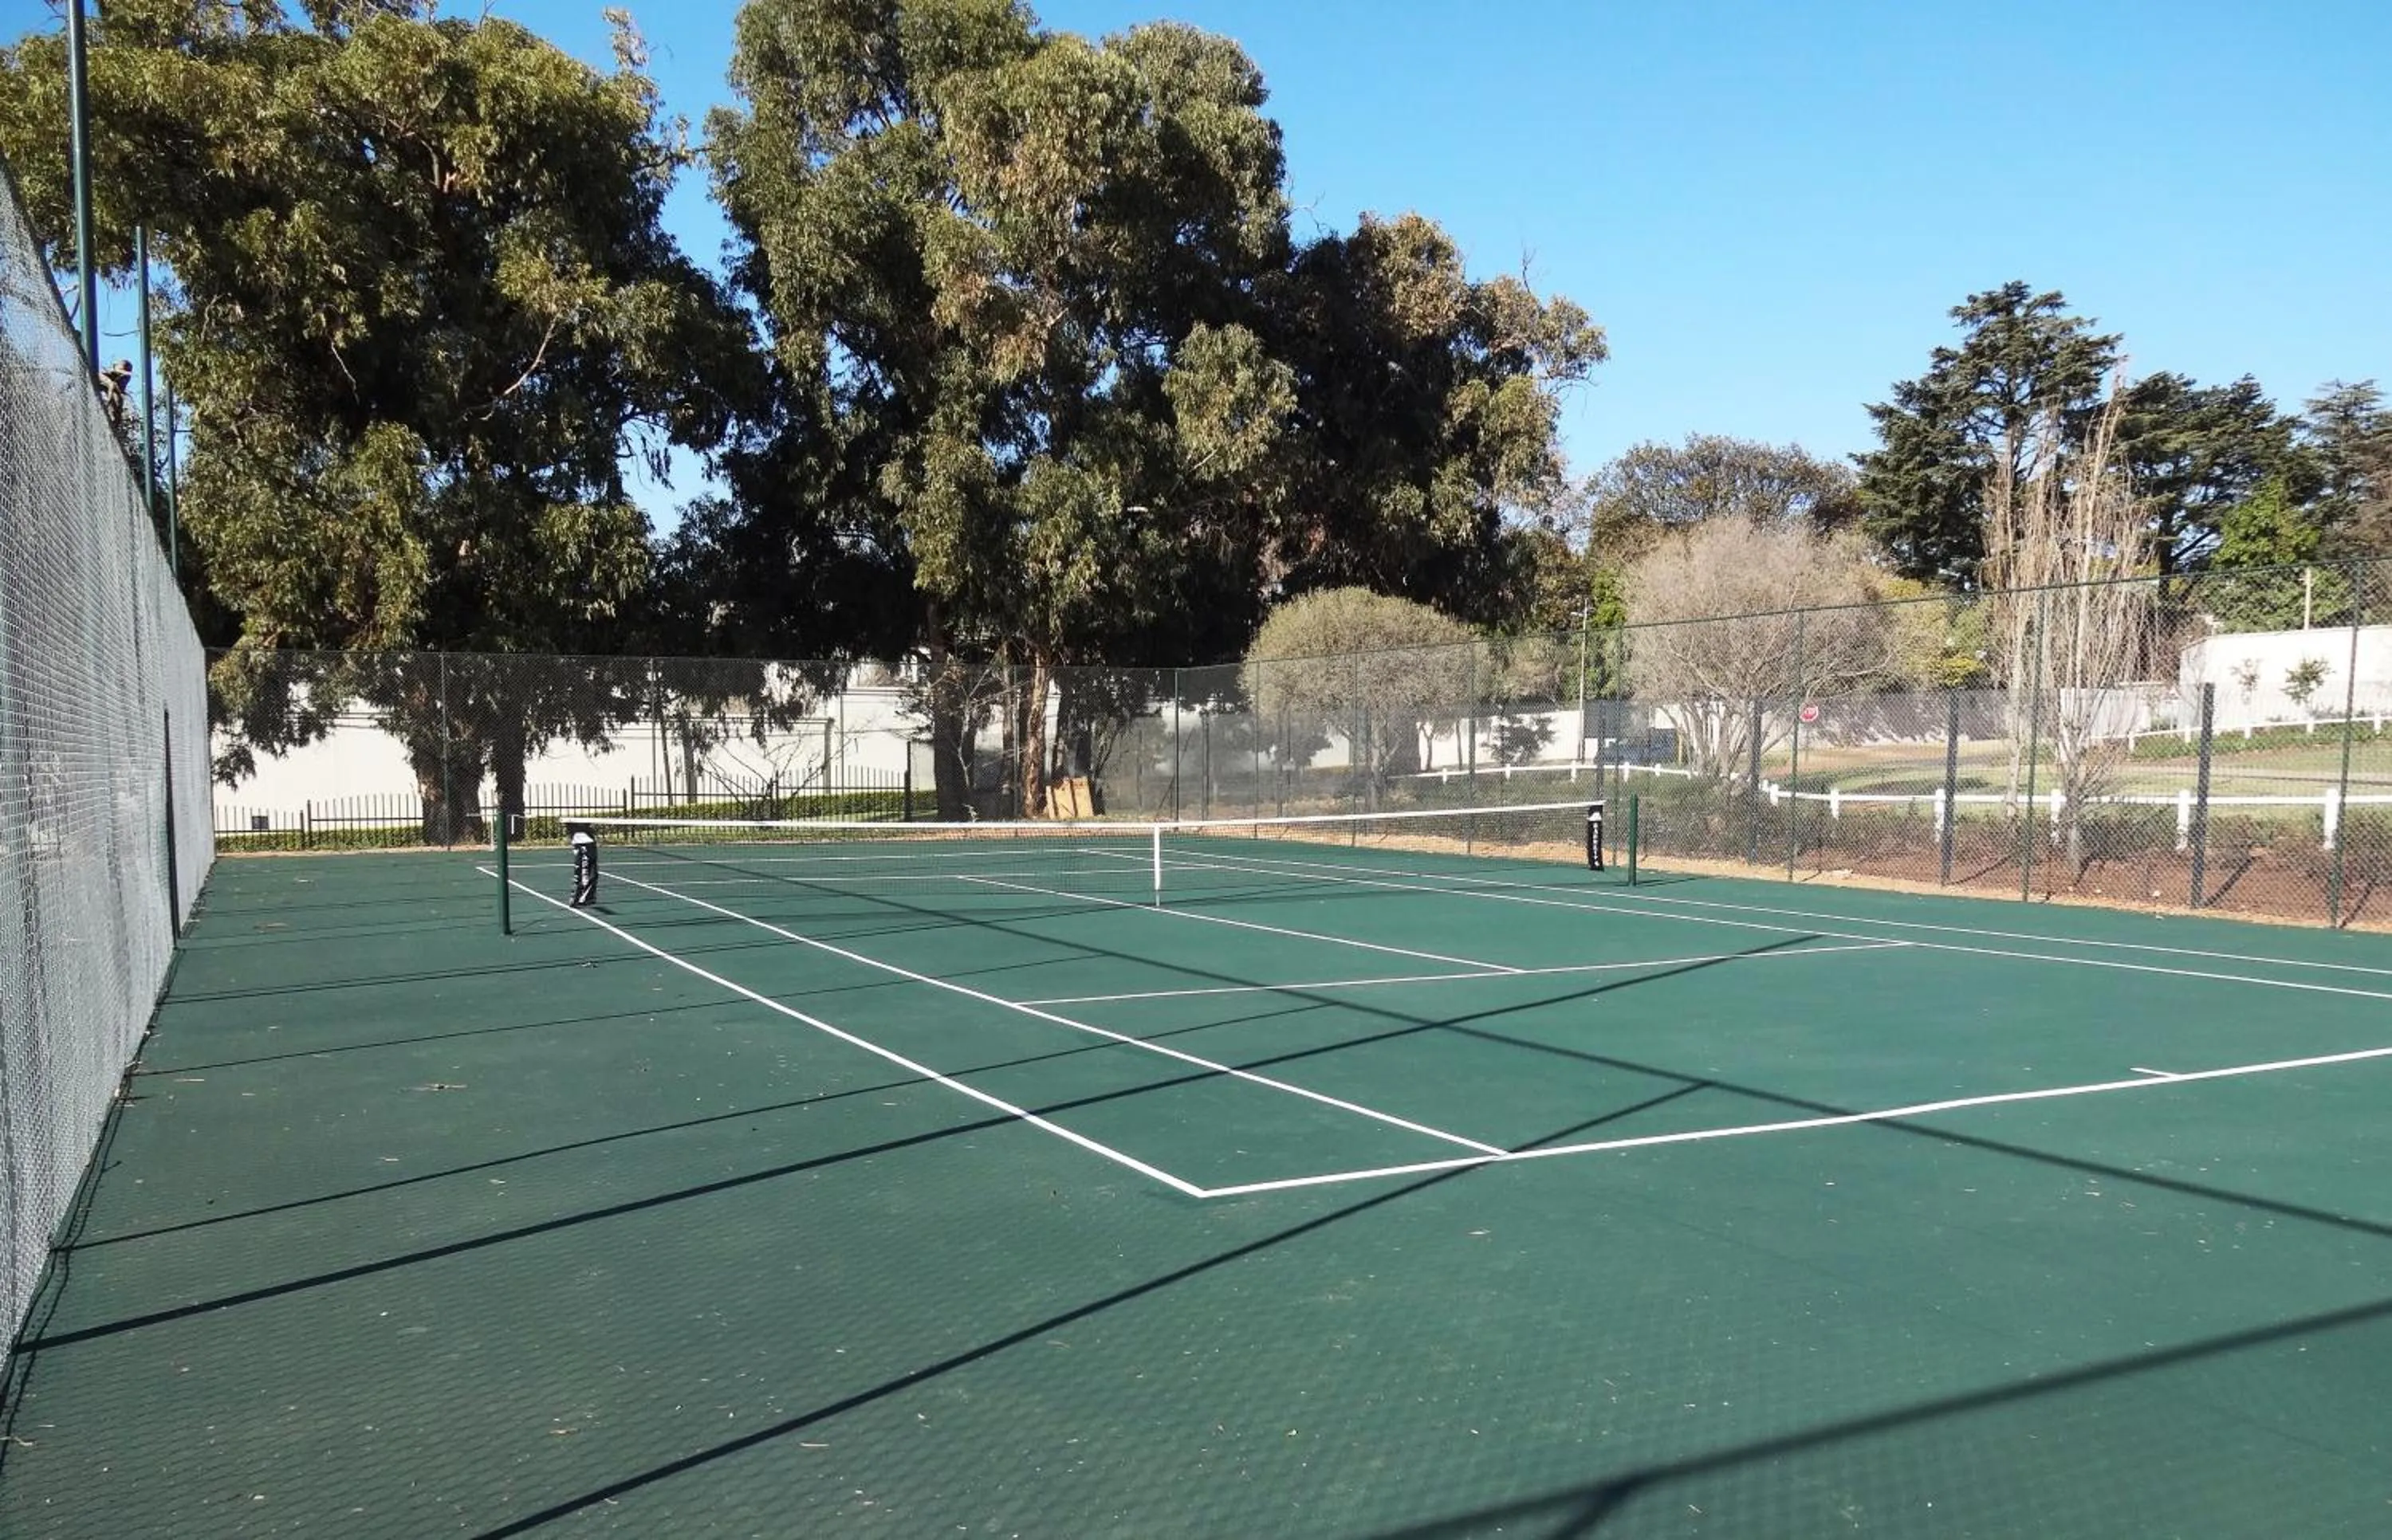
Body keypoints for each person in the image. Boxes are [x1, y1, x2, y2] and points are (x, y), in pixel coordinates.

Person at [567, 822, 600, 907]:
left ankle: (588, 897)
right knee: (584, 871)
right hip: (584, 843)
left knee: (589, 871)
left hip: (584, 841)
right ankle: (579, 898)